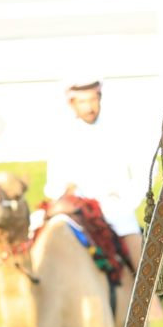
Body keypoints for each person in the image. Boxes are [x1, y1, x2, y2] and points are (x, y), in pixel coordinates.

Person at [44, 80, 143, 268]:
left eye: (93, 100)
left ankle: (147, 287)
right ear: (72, 104)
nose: (89, 107)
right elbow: (53, 185)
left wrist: (126, 199)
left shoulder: (119, 130)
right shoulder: (62, 137)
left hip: (116, 211)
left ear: (100, 98)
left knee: (142, 264)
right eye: (82, 102)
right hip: (76, 213)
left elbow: (141, 174)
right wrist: (65, 194)